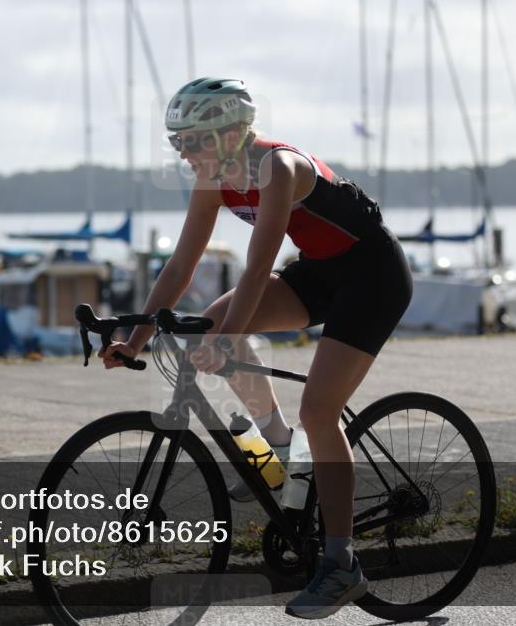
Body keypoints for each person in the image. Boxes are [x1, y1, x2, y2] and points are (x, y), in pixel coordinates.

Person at [99, 77, 412, 619]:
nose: (182, 151)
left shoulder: (277, 167)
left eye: (191, 140)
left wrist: (227, 342)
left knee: (320, 411)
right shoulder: (212, 177)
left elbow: (257, 266)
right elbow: (181, 264)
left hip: (373, 278)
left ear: (229, 134)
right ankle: (280, 450)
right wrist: (134, 340)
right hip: (319, 273)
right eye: (176, 141)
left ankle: (341, 564)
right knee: (206, 326)